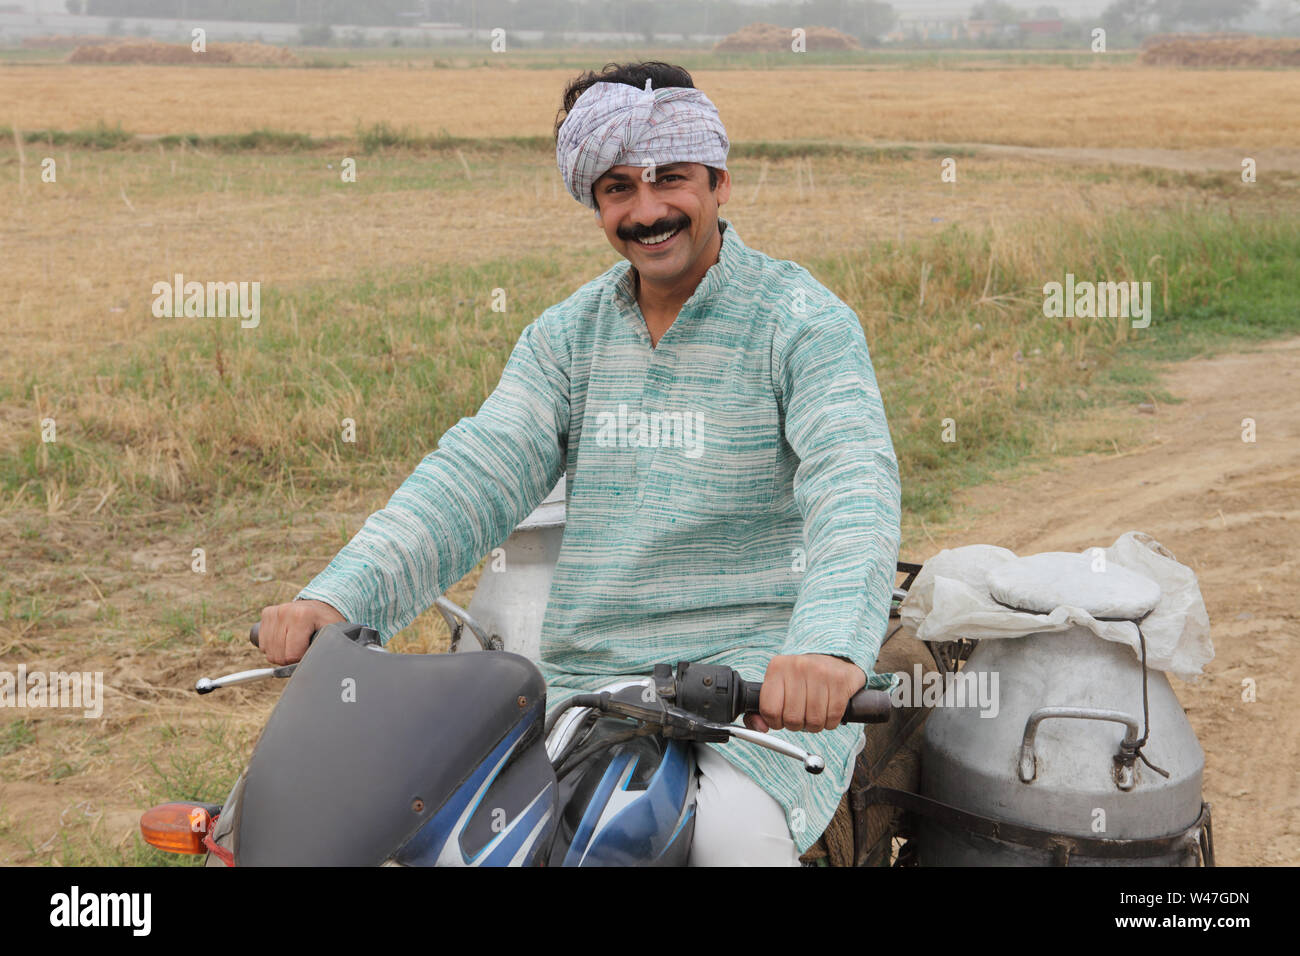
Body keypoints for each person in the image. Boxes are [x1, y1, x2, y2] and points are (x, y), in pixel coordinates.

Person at [256, 61, 902, 866]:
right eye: (618, 187)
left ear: (720, 183)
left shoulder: (802, 323)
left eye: (671, 179)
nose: (647, 209)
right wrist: (339, 595)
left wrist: (829, 649)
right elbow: (475, 474)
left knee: (735, 840)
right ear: (593, 201)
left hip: (755, 694)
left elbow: (855, 486)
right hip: (584, 693)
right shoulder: (568, 337)